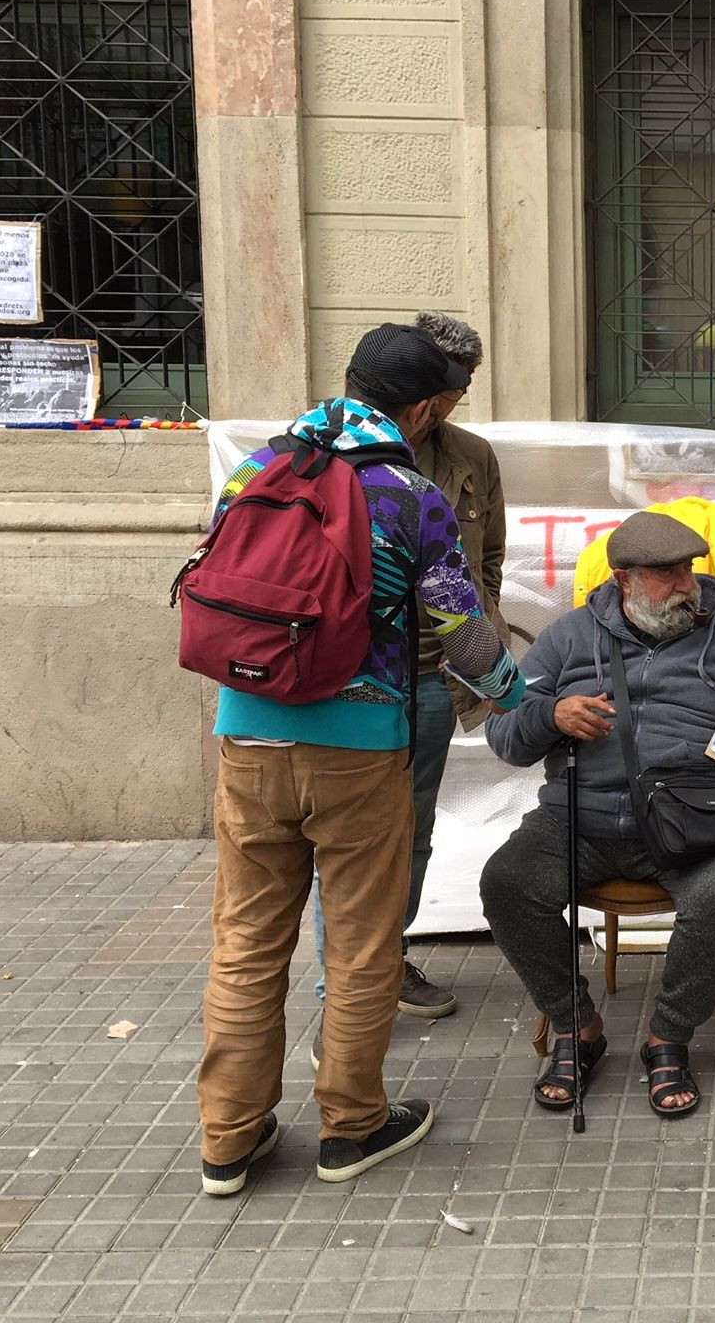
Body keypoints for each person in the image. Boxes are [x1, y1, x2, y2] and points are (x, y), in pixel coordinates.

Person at [195, 324, 523, 1195]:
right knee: (364, 941)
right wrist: (520, 697)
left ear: (347, 381)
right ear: (420, 407)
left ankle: (228, 1138)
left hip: (248, 738)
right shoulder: (409, 496)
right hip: (358, 750)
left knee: (246, 942)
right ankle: (351, 1123)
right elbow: (463, 628)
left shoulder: (254, 470)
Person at [478, 512, 715, 1118]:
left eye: (689, 570)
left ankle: (668, 1035)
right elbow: (505, 735)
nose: (685, 585)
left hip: (695, 820)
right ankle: (577, 1027)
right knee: (508, 883)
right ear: (623, 580)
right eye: (665, 574)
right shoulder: (567, 638)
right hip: (581, 817)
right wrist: (551, 716)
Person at [309, 310, 505, 1028]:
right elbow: (465, 620)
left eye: (463, 388)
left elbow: (482, 569)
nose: (450, 402)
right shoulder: (363, 472)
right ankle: (348, 997)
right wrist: (506, 686)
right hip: (347, 685)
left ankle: (377, 962)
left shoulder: (275, 457)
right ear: (419, 392)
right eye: (444, 387)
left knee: (405, 836)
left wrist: (473, 667)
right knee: (354, 845)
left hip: (421, 684)